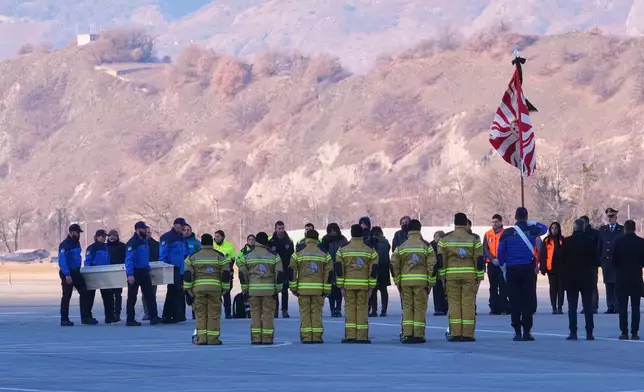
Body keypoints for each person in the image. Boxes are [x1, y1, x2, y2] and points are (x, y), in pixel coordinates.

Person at [497, 207, 547, 341]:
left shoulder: (507, 233)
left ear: (515, 217)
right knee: (527, 300)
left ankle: (517, 331)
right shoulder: (532, 230)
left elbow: (500, 253)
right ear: (526, 216)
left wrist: (503, 264)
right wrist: (531, 222)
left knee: (514, 301)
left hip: (512, 270)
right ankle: (527, 331)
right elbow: (545, 228)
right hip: (528, 269)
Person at [438, 213, 484, 342]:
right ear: (466, 223)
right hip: (469, 276)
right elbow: (479, 260)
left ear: (454, 223)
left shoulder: (445, 239)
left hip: (451, 276)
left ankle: (455, 333)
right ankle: (468, 333)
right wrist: (479, 279)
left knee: (454, 304)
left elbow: (442, 260)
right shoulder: (474, 239)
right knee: (468, 304)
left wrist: (442, 277)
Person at [391, 219, 437, 343]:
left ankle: (407, 334)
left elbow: (394, 263)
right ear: (419, 229)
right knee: (419, 308)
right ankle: (418, 334)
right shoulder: (426, 246)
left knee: (407, 308)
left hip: (405, 282)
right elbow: (432, 265)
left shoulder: (402, 246)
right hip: (421, 283)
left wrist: (397, 281)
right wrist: (431, 282)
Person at [184, 233, 230, 345]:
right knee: (214, 314)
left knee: (200, 314)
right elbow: (225, 274)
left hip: (198, 290)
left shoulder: (192, 257)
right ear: (212, 242)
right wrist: (225, 289)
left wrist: (188, 289)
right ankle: (213, 339)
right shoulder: (221, 256)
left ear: (202, 243)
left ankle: (202, 339)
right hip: (215, 289)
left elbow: (188, 274)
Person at [238, 232, 284, 345]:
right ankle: (267, 338)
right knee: (268, 314)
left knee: (255, 314)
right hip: (269, 290)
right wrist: (277, 289)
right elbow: (279, 274)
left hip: (253, 290)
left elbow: (242, 274)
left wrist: (245, 289)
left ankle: (256, 338)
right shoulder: (274, 255)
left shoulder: (247, 255)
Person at [337, 224, 379, 343]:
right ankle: (362, 336)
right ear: (362, 233)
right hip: (364, 286)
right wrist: (371, 286)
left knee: (350, 309)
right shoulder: (370, 249)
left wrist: (340, 286)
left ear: (351, 233)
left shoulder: (342, 249)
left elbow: (339, 269)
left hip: (348, 286)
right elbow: (374, 269)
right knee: (362, 309)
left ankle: (350, 336)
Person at [289, 229, 332, 343]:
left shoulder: (298, 252)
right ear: (317, 239)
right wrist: (326, 289)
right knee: (316, 312)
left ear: (306, 237)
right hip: (318, 290)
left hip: (303, 290)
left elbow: (292, 271)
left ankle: (306, 336)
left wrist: (293, 288)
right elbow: (329, 272)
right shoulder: (324, 253)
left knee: (305, 313)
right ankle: (317, 337)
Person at [561, 219, 598, 340]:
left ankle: (573, 331)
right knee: (588, 306)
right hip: (587, 277)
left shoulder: (566, 242)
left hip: (571, 277)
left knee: (572, 306)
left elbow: (562, 260)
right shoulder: (590, 241)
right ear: (584, 227)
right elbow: (596, 260)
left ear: (574, 227)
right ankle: (589, 332)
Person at [612, 220, 644, 340]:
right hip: (636, 277)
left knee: (623, 307)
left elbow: (614, 260)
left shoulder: (618, 242)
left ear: (625, 228)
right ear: (635, 228)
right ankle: (634, 332)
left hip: (622, 278)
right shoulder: (641, 242)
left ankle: (624, 332)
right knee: (635, 307)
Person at [125, 221, 160, 326]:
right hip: (135, 272)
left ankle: (154, 317)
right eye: (143, 229)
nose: (145, 231)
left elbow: (144, 258)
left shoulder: (144, 241)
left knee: (150, 295)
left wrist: (147, 268)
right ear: (137, 230)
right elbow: (129, 259)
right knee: (132, 297)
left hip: (144, 271)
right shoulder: (133, 243)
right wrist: (130, 274)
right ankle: (130, 319)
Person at [59, 224, 94, 326]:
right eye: (77, 232)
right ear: (71, 233)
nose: (79, 234)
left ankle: (85, 317)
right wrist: (67, 274)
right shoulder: (65, 245)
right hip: (68, 272)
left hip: (76, 272)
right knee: (66, 296)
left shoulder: (76, 243)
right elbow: (62, 261)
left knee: (85, 292)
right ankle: (64, 319)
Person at [160, 218, 187, 323]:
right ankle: (167, 315)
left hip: (180, 269)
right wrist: (165, 267)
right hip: (171, 268)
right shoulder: (167, 237)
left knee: (178, 292)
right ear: (176, 225)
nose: (183, 227)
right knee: (172, 291)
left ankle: (177, 315)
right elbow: (163, 254)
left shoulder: (181, 238)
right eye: (181, 225)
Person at [598, 208, 623, 314]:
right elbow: (600, 246)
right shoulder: (602, 230)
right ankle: (610, 305)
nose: (610, 219)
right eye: (608, 217)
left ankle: (618, 305)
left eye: (612, 217)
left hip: (617, 262)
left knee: (618, 284)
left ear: (616, 218)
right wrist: (600, 259)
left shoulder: (621, 229)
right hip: (607, 261)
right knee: (609, 284)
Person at [85, 230, 113, 324]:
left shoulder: (106, 247)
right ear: (97, 237)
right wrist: (88, 273)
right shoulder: (92, 248)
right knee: (89, 297)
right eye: (102, 236)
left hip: (104, 274)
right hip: (94, 273)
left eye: (105, 237)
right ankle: (87, 316)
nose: (104, 238)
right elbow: (87, 262)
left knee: (108, 296)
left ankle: (109, 317)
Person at [320, 223, 349, 317]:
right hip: (329, 267)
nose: (333, 232)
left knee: (339, 288)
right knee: (330, 289)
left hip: (340, 266)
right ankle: (332, 308)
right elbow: (322, 252)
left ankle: (338, 308)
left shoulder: (342, 239)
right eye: (330, 230)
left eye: (334, 230)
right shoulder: (325, 240)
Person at [483, 214, 509, 315]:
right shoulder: (488, 234)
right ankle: (494, 307)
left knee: (503, 285)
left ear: (501, 222)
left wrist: (501, 259)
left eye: (496, 222)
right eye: (493, 222)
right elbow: (485, 248)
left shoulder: (505, 233)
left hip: (502, 263)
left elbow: (507, 247)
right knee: (493, 286)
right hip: (492, 263)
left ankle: (504, 307)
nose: (494, 224)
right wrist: (492, 259)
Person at [269, 221, 294, 318]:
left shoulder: (289, 241)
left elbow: (292, 255)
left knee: (284, 290)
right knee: (274, 290)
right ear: (275, 229)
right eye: (279, 228)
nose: (281, 230)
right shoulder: (271, 241)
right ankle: (274, 310)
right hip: (274, 270)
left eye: (282, 228)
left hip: (285, 269)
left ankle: (284, 310)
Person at [539, 222, 565, 315]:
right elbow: (542, 254)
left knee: (561, 288)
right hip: (551, 268)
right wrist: (542, 267)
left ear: (558, 229)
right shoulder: (546, 240)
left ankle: (560, 307)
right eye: (552, 228)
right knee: (553, 288)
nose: (554, 230)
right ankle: (554, 307)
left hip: (561, 268)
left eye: (555, 228)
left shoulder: (562, 240)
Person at [368, 226, 391, 317]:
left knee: (374, 290)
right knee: (383, 290)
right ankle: (383, 309)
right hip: (384, 267)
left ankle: (374, 310)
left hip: (375, 267)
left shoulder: (372, 242)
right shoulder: (385, 242)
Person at [214, 230, 236, 319]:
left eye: (218, 236)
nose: (216, 238)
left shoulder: (229, 246)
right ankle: (217, 312)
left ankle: (228, 313)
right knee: (216, 294)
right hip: (215, 272)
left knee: (226, 292)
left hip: (226, 272)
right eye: (215, 236)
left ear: (223, 237)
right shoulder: (211, 246)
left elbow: (232, 259)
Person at [580, 216, 600, 315]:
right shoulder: (579, 233)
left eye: (583, 222)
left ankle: (594, 306)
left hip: (592, 263)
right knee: (584, 286)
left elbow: (599, 247)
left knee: (592, 285)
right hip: (581, 263)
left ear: (587, 223)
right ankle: (585, 306)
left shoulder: (595, 233)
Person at [107, 229, 126, 323]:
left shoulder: (122, 246)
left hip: (119, 272)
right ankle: (110, 314)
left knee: (118, 294)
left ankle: (117, 314)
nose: (112, 237)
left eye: (114, 235)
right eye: (110, 235)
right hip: (107, 273)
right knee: (108, 295)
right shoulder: (105, 247)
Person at [429, 231, 448, 316]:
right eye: (435, 236)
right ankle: (438, 309)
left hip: (444, 270)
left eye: (438, 236)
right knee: (436, 290)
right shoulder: (431, 245)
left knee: (445, 290)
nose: (436, 238)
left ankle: (445, 308)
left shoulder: (445, 245)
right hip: (436, 270)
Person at [143, 227, 159, 321]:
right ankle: (147, 313)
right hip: (142, 270)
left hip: (154, 270)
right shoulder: (138, 243)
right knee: (144, 294)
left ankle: (152, 313)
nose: (148, 234)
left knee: (152, 293)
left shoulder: (156, 244)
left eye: (149, 232)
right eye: (146, 232)